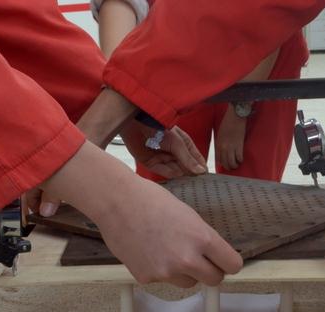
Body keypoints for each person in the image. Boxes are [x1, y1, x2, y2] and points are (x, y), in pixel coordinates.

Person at [0, 0, 325, 288]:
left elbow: (1, 14)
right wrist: (107, 186)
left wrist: (113, 108)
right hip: (169, 56)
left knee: (250, 181)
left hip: (210, 54)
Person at [92, 0, 309, 182]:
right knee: (166, 171)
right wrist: (130, 103)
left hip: (265, 51)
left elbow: (273, 16)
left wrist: (240, 110)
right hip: (172, 43)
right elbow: (119, 10)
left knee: (253, 179)